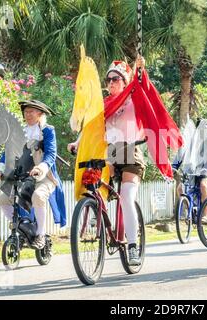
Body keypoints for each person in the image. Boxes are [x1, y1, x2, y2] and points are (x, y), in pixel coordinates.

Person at [68, 56, 146, 266]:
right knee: (94, 183)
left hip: (130, 153)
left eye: (116, 79)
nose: (111, 83)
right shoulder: (102, 105)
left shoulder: (132, 99)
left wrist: (140, 71)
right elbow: (91, 127)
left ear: (124, 81)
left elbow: (142, 89)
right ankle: (95, 210)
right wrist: (77, 143)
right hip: (109, 155)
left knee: (127, 198)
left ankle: (132, 247)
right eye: (109, 79)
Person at [0, 100, 66, 249]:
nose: (28, 114)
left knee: (38, 197)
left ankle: (40, 235)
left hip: (45, 176)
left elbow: (51, 154)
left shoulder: (47, 130)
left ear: (40, 114)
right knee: (3, 200)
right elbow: (7, 153)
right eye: (26, 111)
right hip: (22, 177)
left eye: (31, 111)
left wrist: (41, 167)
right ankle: (22, 227)